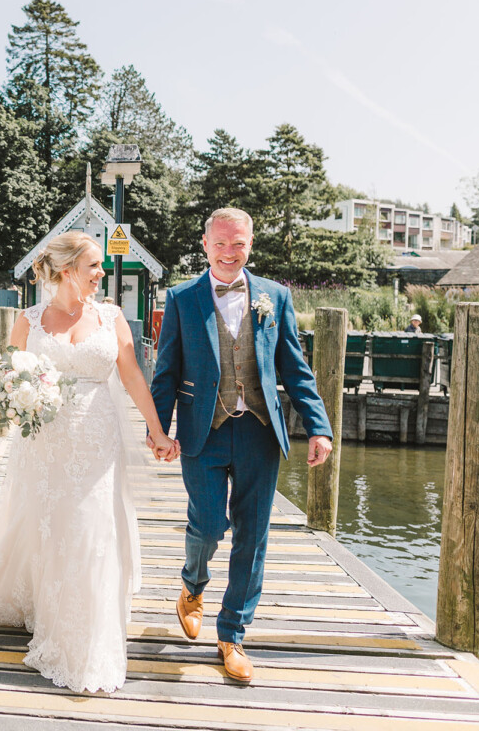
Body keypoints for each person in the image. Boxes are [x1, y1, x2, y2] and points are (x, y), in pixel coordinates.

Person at [0, 231, 178, 694]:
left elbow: (132, 375)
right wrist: (21, 398)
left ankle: (83, 636)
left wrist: (158, 431)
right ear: (67, 271)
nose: (101, 274)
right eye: (93, 266)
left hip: (98, 439)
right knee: (50, 522)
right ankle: (43, 599)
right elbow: (8, 377)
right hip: (46, 441)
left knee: (91, 527)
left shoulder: (111, 317)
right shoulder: (29, 320)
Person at [150, 207, 333, 683]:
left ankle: (232, 634)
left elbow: (295, 368)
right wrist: (158, 429)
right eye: (220, 243)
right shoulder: (182, 297)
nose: (229, 252)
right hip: (202, 430)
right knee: (210, 524)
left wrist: (319, 427)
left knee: (252, 536)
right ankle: (192, 585)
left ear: (250, 244)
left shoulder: (276, 296)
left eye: (238, 243)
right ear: (205, 244)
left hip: (259, 431)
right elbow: (166, 371)